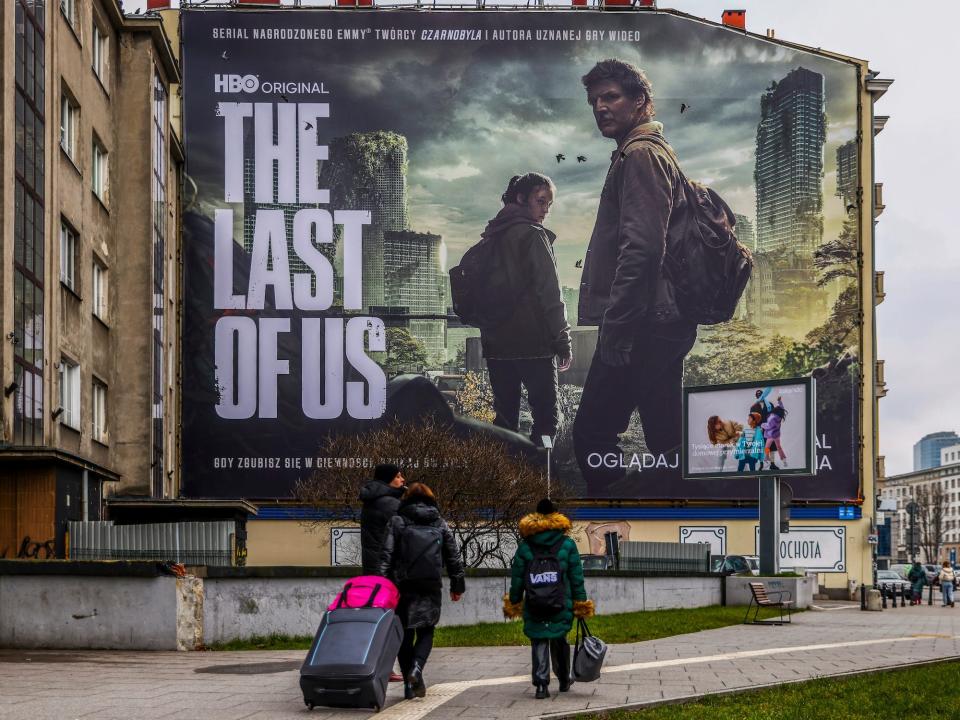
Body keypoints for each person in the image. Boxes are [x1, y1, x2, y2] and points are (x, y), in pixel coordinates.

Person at [572, 59, 697, 495]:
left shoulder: (641, 154)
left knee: (591, 436)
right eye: (594, 101)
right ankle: (675, 517)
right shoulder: (647, 151)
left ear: (641, 101)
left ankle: (618, 527)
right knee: (668, 440)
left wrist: (618, 328)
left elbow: (642, 250)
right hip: (661, 320)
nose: (600, 107)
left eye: (611, 97)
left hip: (642, 322)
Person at [479, 172, 572, 446]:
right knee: (545, 421)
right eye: (541, 201)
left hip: (496, 344)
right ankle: (540, 479)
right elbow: (550, 293)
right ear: (521, 198)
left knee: (504, 422)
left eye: (549, 205)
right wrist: (563, 340)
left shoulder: (491, 236)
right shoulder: (533, 236)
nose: (545, 210)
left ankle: (506, 480)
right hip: (534, 345)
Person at [378, 483, 465, 700]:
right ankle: (417, 668)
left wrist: (380, 585)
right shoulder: (439, 523)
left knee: (405, 634)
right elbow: (453, 556)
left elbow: (386, 555)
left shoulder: (397, 521)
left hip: (402, 585)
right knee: (426, 630)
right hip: (430, 584)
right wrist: (457, 585)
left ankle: (409, 684)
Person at [503, 498, 594, 699]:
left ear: (535, 517)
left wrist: (515, 601)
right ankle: (563, 679)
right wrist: (580, 604)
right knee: (559, 637)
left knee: (539, 639)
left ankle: (541, 685)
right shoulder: (567, 544)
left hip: (534, 603)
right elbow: (576, 578)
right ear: (556, 516)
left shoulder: (525, 546)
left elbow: (517, 578)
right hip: (561, 601)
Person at [359, 464, 405, 574]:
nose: (403, 479)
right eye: (398, 477)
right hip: (387, 569)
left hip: (374, 565)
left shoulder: (374, 500)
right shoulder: (389, 504)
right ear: (388, 479)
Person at [760, 397, 788, 470]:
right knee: (779, 447)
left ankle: (766, 459)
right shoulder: (779, 416)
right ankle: (784, 460)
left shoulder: (773, 417)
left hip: (770, 435)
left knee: (766, 447)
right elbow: (781, 407)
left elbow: (769, 426)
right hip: (777, 434)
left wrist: (762, 425)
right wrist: (779, 401)